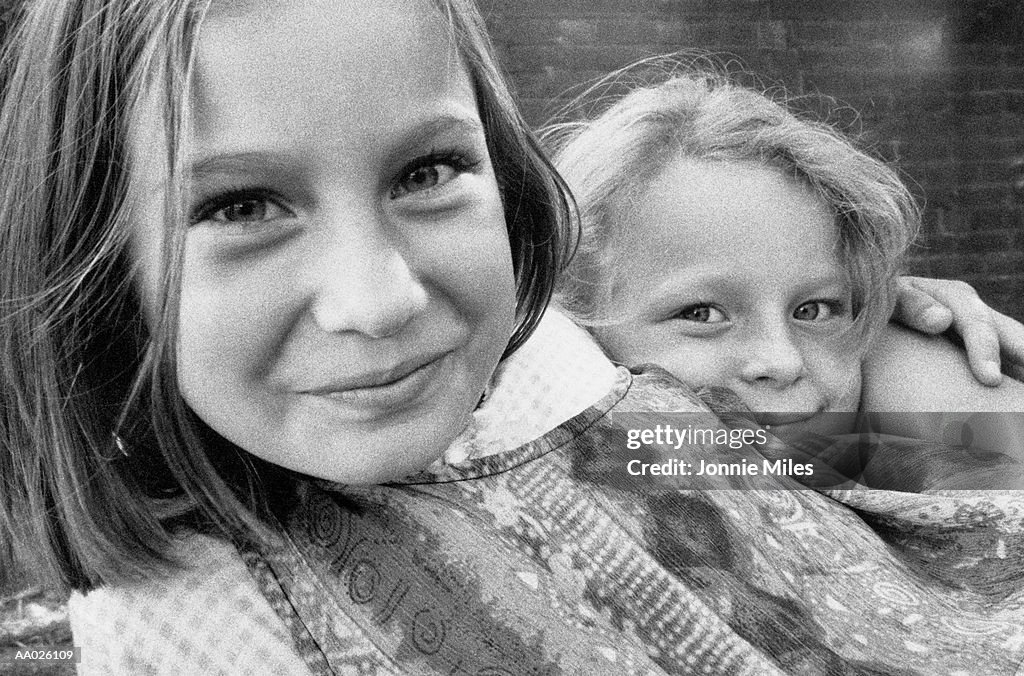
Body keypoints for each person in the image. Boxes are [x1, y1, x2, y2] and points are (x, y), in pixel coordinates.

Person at [0, 1, 1021, 674]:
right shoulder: (180, 625)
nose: (381, 298)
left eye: (426, 172)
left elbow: (791, 460)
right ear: (94, 256)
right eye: (240, 206)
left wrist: (876, 315)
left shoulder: (560, 385)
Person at [547, 66, 1024, 473]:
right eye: (702, 314)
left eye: (814, 309)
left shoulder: (883, 394)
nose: (783, 361)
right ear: (573, 322)